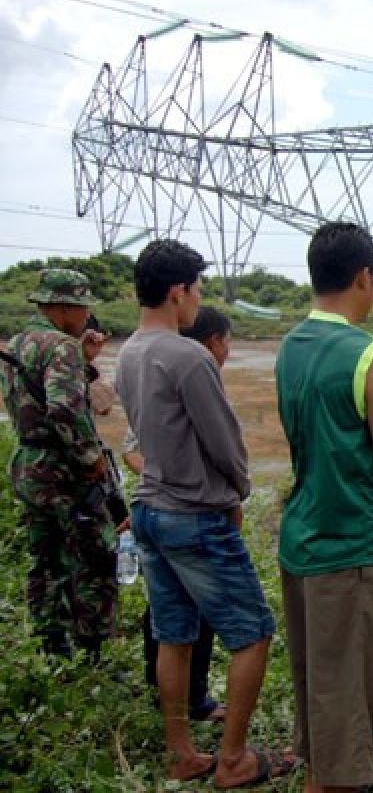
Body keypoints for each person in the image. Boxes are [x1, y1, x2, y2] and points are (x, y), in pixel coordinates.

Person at [116, 240, 289, 787]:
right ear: (177, 291)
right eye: (197, 289)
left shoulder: (128, 352)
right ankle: (234, 759)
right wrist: (238, 490)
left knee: (175, 634)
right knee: (253, 632)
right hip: (195, 516)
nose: (199, 300)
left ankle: (181, 752)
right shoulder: (188, 356)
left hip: (150, 509)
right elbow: (225, 443)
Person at [276, 222, 373, 793]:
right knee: (350, 684)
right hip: (350, 545)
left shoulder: (290, 346)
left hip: (300, 538)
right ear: (364, 276)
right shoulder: (370, 354)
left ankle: (318, 771)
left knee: (317, 676)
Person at [122, 305, 233, 724]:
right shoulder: (184, 375)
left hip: (160, 511)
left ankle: (182, 700)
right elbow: (133, 449)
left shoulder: (167, 371)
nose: (228, 351)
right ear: (212, 342)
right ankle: (187, 701)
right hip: (185, 513)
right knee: (191, 616)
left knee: (175, 615)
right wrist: (172, 476)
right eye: (226, 340)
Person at [0, 269, 116, 660]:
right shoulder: (61, 345)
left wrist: (85, 361)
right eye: (82, 307)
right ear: (65, 307)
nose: (86, 316)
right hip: (63, 471)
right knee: (94, 556)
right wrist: (91, 458)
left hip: (29, 464)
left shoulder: (17, 343)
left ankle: (50, 645)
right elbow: (64, 408)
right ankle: (92, 649)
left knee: (46, 557)